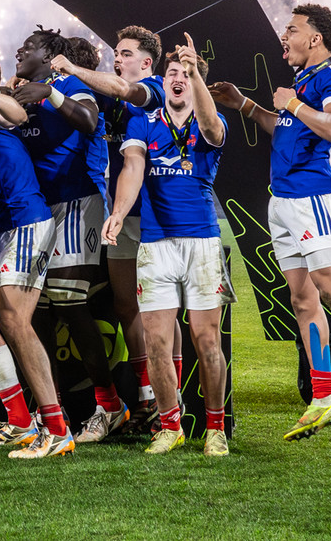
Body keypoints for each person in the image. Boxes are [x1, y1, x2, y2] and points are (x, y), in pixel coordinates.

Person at [210, 4, 331, 439]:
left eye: (292, 29)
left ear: (315, 38)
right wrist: (244, 105)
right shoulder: (304, 80)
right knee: (301, 298)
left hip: (312, 197)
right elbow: (284, 126)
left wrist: (294, 103)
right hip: (283, 201)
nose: (284, 37)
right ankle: (323, 397)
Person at [105, 38, 232, 455]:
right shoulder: (144, 121)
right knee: (157, 341)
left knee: (206, 340)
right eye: (172, 73)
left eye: (187, 73)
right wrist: (121, 211)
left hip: (201, 245)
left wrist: (196, 73)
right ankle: (170, 425)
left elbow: (213, 130)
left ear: (197, 82)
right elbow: (133, 168)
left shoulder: (209, 121)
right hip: (156, 244)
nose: (177, 79)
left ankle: (214, 428)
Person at [10, 28, 129, 443]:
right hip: (36, 209)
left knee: (68, 300)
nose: (20, 51)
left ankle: (110, 404)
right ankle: (51, 409)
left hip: (78, 200)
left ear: (51, 55)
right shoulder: (20, 90)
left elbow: (90, 120)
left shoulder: (69, 84)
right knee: (36, 307)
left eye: (30, 46)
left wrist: (49, 95)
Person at [50, 24, 172, 426]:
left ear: (146, 61)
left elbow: (125, 91)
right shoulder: (106, 90)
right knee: (124, 304)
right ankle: (143, 393)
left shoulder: (154, 89)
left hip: (159, 211)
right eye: (115, 53)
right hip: (121, 210)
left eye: (124, 53)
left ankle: (171, 396)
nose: (116, 59)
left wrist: (71, 66)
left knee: (160, 308)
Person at [0, 54, 74, 459]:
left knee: (13, 321)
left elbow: (18, 113)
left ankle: (56, 429)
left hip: (25, 222)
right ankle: (21, 420)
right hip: (0, 229)